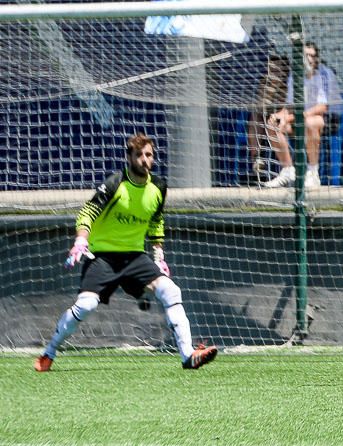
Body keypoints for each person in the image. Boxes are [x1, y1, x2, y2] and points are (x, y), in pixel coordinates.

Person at [34, 133, 217, 371]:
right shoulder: (115, 184)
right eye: (139, 155)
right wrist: (81, 240)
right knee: (87, 305)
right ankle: (49, 352)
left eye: (148, 155)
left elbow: (156, 220)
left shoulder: (158, 187)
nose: (144, 159)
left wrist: (158, 254)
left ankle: (188, 355)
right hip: (103, 257)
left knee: (171, 290)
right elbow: (87, 212)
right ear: (129, 157)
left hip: (134, 257)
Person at [263, 41, 343, 188]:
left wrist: (291, 117)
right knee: (272, 124)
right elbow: (290, 106)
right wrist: (280, 116)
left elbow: (322, 107)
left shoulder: (324, 74)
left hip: (329, 119)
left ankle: (313, 173)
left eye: (312, 56)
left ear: (317, 58)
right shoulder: (295, 76)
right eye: (305, 55)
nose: (309, 59)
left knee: (311, 123)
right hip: (301, 118)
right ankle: (288, 169)